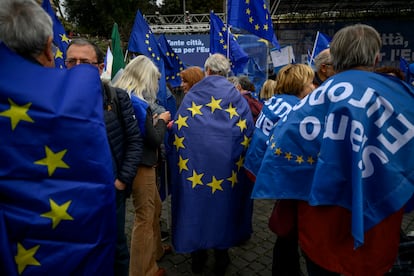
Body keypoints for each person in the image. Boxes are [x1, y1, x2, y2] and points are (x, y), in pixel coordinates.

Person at [253, 24, 414, 275]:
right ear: (376, 57)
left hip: (320, 229)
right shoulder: (401, 96)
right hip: (378, 228)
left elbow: (279, 158)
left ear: (334, 60)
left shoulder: (307, 104)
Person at [0, 0, 119, 274]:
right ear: (48, 48)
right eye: (70, 60)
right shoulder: (77, 104)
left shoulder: (112, 97)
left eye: (85, 63)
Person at [170, 53, 255, 275]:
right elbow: (248, 130)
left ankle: (198, 256)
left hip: (195, 165)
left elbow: (179, 128)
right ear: (225, 72)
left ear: (207, 70)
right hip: (227, 166)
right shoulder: (237, 98)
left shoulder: (193, 95)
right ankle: (221, 255)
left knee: (196, 203)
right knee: (223, 206)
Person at [66, 38, 143, 276]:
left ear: (100, 67)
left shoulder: (117, 97)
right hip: (70, 194)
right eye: (72, 61)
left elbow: (134, 142)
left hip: (110, 192)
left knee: (116, 247)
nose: (77, 66)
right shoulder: (54, 101)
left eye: (85, 62)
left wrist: (121, 182)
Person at [244, 64, 315, 276]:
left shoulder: (275, 100)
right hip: (281, 174)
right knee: (288, 231)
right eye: (310, 82)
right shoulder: (297, 109)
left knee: (286, 230)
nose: (314, 86)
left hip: (260, 166)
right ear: (301, 84)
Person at [113, 55, 172, 276]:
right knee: (145, 216)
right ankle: (143, 270)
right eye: (154, 79)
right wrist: (163, 121)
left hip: (128, 161)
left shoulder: (119, 95)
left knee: (154, 207)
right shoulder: (138, 102)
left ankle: (155, 250)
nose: (155, 85)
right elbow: (153, 139)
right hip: (142, 164)